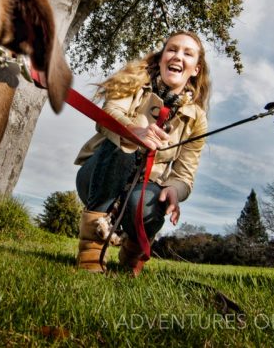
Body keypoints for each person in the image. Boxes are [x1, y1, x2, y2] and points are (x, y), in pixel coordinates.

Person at [74, 31, 210, 275]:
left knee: (148, 201)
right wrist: (134, 132)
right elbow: (108, 117)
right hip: (97, 177)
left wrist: (174, 190)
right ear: (161, 58)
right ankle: (90, 253)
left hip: (144, 187)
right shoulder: (132, 82)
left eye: (187, 53)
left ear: (196, 69)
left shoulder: (196, 119)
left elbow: (185, 175)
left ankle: (131, 255)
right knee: (122, 145)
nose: (177, 56)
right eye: (172, 49)